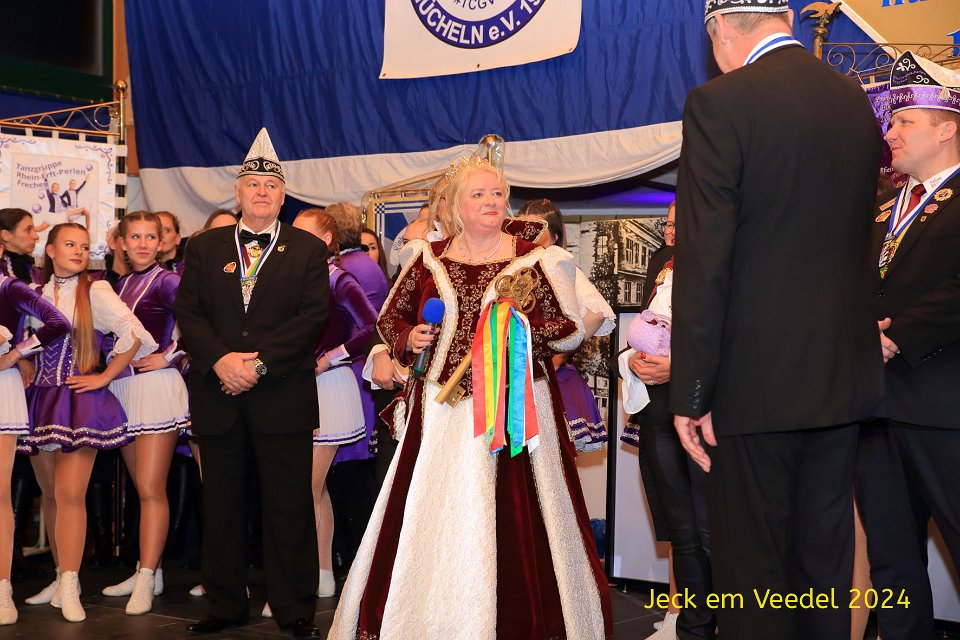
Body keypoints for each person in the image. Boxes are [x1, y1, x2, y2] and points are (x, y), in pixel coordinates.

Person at [329, 156, 612, 639]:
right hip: (441, 412)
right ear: (455, 206)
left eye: (497, 193)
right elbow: (390, 319)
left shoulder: (536, 259)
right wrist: (410, 336)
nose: (491, 202)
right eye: (478, 194)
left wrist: (519, 329)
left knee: (516, 518)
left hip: (515, 411)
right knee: (432, 516)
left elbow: (568, 329)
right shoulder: (428, 257)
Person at [669, 2, 884, 639]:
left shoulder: (720, 103)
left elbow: (706, 259)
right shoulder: (853, 101)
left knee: (754, 575)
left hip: (755, 380)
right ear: (784, 17)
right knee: (824, 566)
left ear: (719, 30)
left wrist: (693, 390)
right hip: (841, 374)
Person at [174, 128, 329, 638]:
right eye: (253, 184)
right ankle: (224, 605)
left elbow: (312, 317)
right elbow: (189, 313)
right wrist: (221, 361)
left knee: (288, 507)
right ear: (238, 192)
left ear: (283, 196)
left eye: (271, 186)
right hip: (218, 394)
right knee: (221, 506)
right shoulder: (204, 247)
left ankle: (295, 608)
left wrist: (257, 366)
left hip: (281, 396)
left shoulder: (308, 249)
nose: (262, 192)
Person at [855, 51, 960, 640]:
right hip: (877, 409)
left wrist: (897, 335)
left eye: (904, 122)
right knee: (892, 562)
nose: (890, 133)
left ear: (946, 129)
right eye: (891, 122)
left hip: (945, 408)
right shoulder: (879, 210)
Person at [20, 223, 156, 622]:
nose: (79, 252)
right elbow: (21, 341)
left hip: (79, 400)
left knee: (69, 494)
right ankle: (62, 576)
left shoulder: (95, 290)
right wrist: (25, 363)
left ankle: (70, 582)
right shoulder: (33, 293)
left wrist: (104, 376)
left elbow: (134, 333)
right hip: (41, 400)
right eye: (70, 244)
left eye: (83, 246)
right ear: (50, 250)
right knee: (50, 495)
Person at [620, 202, 713, 640]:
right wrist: (631, 361)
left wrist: (680, 367)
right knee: (682, 530)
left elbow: (742, 344)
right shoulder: (663, 264)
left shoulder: (729, 265)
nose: (673, 232)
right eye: (670, 224)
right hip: (659, 415)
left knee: (711, 529)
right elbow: (645, 331)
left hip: (706, 416)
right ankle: (691, 625)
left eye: (682, 223)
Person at [99, 211, 190, 615]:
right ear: (121, 242)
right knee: (141, 488)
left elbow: (201, 321)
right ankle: (147, 568)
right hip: (124, 389)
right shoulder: (120, 285)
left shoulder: (168, 280)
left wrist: (171, 356)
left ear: (161, 242)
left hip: (154, 391)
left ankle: (148, 577)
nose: (142, 244)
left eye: (149, 237)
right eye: (134, 237)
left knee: (152, 488)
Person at [293, 208, 378, 602]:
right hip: (294, 386)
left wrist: (330, 358)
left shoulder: (339, 279)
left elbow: (373, 326)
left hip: (327, 386)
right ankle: (322, 572)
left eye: (304, 234)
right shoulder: (292, 278)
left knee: (305, 486)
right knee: (310, 487)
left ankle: (308, 574)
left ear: (327, 240)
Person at [0, 247, 70, 625]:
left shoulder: (9, 287)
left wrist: (16, 354)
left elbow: (57, 321)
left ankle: (2, 589)